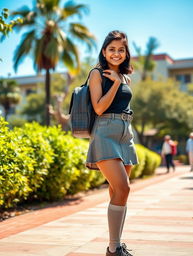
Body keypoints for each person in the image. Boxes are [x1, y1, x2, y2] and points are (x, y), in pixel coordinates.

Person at [86, 30, 138, 256]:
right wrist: (115, 84)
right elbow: (98, 107)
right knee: (123, 187)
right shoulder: (97, 73)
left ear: (126, 53)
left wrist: (121, 81)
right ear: (104, 51)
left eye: (121, 49)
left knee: (120, 192)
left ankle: (116, 244)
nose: (116, 54)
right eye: (112, 49)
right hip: (105, 131)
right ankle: (113, 248)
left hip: (126, 133)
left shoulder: (127, 76)